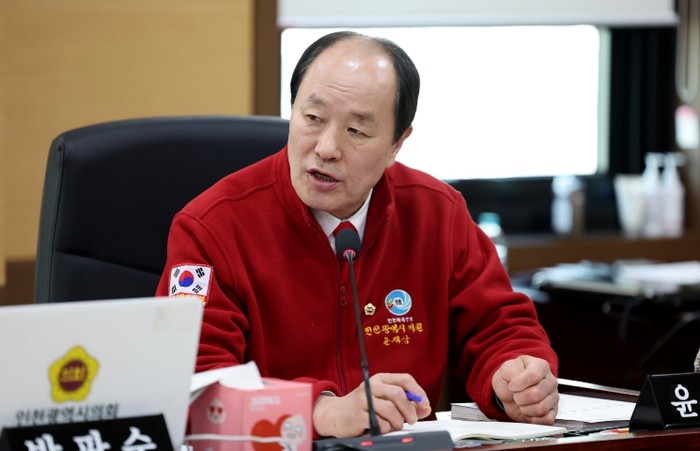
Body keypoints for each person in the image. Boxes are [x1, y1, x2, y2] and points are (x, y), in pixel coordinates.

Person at [157, 30, 559, 439]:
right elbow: (193, 387)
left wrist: (514, 375)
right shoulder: (212, 227)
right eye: (312, 119)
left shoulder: (437, 213)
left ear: (397, 144)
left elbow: (497, 327)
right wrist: (319, 412)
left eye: (357, 131)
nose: (327, 148)